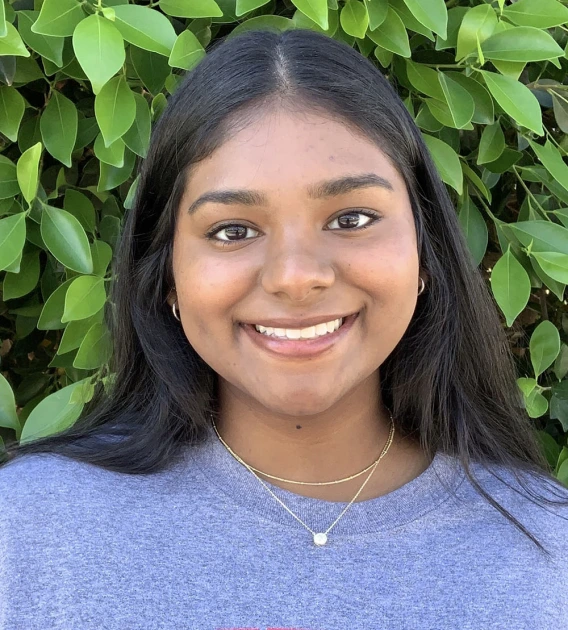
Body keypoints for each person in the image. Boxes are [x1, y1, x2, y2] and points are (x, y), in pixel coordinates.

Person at [1, 28, 567, 630]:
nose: (296, 278)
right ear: (167, 275)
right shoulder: (31, 531)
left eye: (352, 218)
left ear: (425, 255)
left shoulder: (548, 554)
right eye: (233, 231)